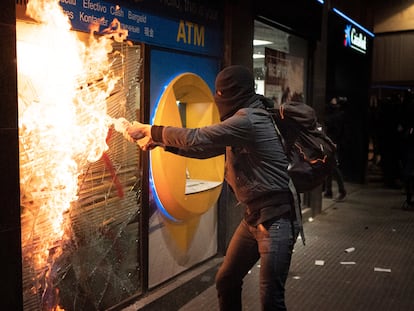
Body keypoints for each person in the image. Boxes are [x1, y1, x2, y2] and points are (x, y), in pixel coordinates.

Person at [125, 65, 302, 310]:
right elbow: (206, 150)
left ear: (230, 94)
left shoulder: (249, 119)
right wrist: (161, 144)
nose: (217, 101)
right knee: (227, 280)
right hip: (254, 218)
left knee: (272, 301)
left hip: (277, 220)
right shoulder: (245, 118)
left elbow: (197, 137)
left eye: (219, 95)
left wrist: (150, 129)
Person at [324, 96, 347, 201]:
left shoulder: (337, 115)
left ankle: (341, 191)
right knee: (329, 166)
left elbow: (337, 130)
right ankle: (329, 191)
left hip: (333, 142)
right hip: (331, 142)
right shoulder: (336, 114)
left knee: (333, 167)